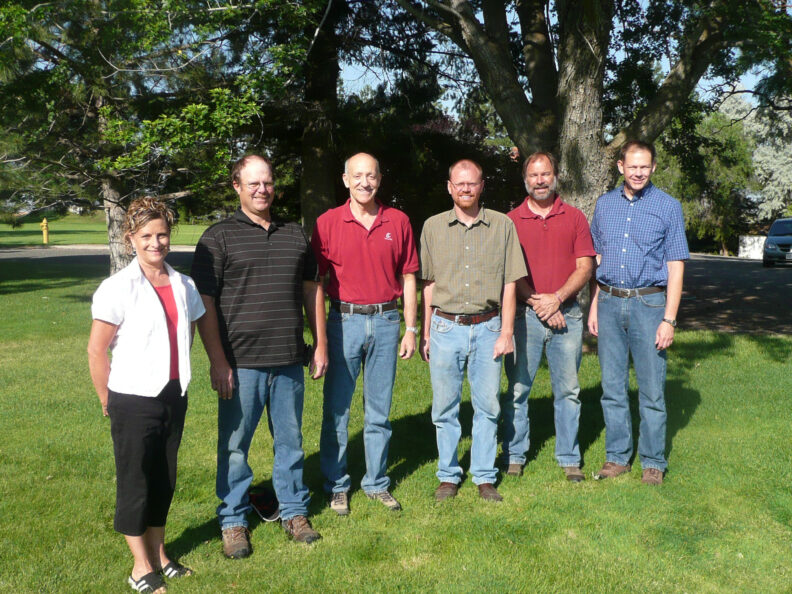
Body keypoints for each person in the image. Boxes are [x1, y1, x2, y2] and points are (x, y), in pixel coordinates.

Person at [191, 154, 328, 556]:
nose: (262, 189)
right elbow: (205, 304)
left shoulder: (294, 235)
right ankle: (233, 520)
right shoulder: (216, 238)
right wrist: (218, 361)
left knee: (291, 441)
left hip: (288, 358)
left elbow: (311, 289)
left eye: (267, 182)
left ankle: (293, 510)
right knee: (235, 445)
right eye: (253, 183)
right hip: (241, 363)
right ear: (237, 186)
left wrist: (319, 344)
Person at [88, 197, 205, 594]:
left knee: (164, 479)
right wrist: (107, 399)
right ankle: (140, 568)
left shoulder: (183, 283)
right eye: (146, 236)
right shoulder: (117, 288)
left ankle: (161, 555)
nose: (156, 243)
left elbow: (186, 334)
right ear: (130, 240)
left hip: (173, 395)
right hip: (132, 399)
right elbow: (96, 350)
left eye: (162, 235)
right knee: (135, 481)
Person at [312, 153, 419, 515]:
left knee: (379, 411)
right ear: (345, 180)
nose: (364, 183)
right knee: (337, 411)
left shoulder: (398, 221)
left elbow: (409, 276)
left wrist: (411, 328)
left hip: (388, 323)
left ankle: (376, 483)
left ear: (380, 179)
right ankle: (337, 484)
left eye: (370, 176)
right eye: (357, 176)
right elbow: (316, 281)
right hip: (345, 322)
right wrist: (320, 337)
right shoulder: (327, 222)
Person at [419, 159, 527, 502]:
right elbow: (429, 285)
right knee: (444, 408)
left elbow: (511, 282)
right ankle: (448, 476)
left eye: (472, 183)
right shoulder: (432, 227)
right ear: (449, 187)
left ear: (482, 186)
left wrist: (506, 331)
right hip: (445, 327)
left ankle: (483, 476)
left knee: (487, 406)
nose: (466, 189)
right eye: (459, 183)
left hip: (488, 327)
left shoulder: (502, 225)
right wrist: (425, 332)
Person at [588, 140, 689, 485]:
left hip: (650, 305)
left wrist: (669, 319)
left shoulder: (668, 207)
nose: (638, 172)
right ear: (620, 167)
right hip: (609, 302)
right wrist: (593, 307)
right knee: (612, 387)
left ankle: (652, 461)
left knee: (651, 389)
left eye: (644, 166)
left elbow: (676, 266)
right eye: (632, 166)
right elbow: (596, 260)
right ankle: (617, 457)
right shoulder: (603, 206)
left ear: (653, 168)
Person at [503, 152, 595, 482]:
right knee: (518, 389)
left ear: (555, 176)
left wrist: (556, 300)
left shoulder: (574, 218)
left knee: (568, 390)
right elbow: (509, 274)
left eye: (546, 174)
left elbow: (586, 267)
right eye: (534, 175)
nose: (540, 180)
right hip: (524, 316)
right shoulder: (510, 220)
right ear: (525, 180)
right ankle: (515, 455)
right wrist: (540, 304)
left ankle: (570, 458)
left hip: (567, 314)